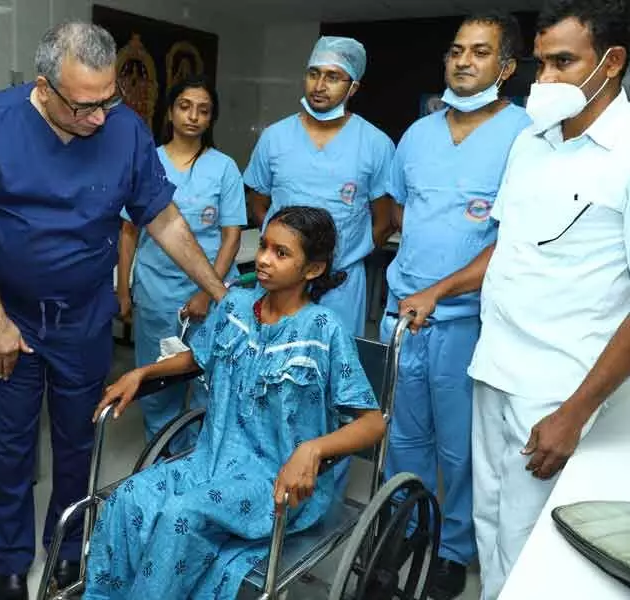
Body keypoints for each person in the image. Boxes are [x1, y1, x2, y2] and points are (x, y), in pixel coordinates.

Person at [0, 21, 229, 600]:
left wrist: (221, 293)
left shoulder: (123, 130)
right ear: (44, 88)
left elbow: (163, 218)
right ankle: (10, 563)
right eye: (84, 106)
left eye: (108, 100)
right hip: (14, 320)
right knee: (11, 443)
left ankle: (68, 549)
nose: (100, 118)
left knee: (78, 439)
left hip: (84, 319)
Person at [398, 2, 630, 598]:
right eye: (541, 62)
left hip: (557, 389)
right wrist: (440, 288)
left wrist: (574, 412)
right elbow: (506, 248)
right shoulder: (532, 141)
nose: (544, 80)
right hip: (493, 367)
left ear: (612, 63)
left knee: (537, 545)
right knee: (491, 524)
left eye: (562, 62)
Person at [83, 206, 386, 599]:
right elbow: (198, 356)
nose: (262, 258)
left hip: (275, 480)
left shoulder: (324, 331)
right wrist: (142, 373)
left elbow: (372, 423)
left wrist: (313, 449)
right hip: (210, 460)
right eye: (263, 246)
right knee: (130, 498)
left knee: (181, 516)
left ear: (312, 269)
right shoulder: (235, 305)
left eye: (281, 253)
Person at [382, 12, 530, 600]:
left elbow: (513, 240)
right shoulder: (418, 135)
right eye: (455, 50)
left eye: (480, 51)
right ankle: (411, 525)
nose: (463, 61)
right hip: (403, 314)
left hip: (466, 322)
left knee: (460, 446)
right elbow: (398, 215)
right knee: (403, 437)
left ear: (507, 66)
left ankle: (453, 546)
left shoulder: (525, 137)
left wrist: (441, 290)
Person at [116, 75, 247, 448]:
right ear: (170, 112)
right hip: (156, 291)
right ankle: (164, 459)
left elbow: (232, 236)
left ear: (211, 118)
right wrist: (123, 288)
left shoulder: (224, 167)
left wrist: (209, 292)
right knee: (157, 381)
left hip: (212, 292)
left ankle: (201, 463)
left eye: (203, 110)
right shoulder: (147, 162)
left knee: (210, 381)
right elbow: (129, 232)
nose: (193, 116)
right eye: (185, 106)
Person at [244, 36, 396, 338]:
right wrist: (286, 251)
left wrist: (344, 257)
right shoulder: (275, 137)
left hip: (341, 285)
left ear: (353, 87)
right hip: (281, 283)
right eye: (314, 73)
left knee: (331, 370)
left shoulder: (376, 144)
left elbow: (385, 221)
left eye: (333, 77)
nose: (320, 84)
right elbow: (258, 203)